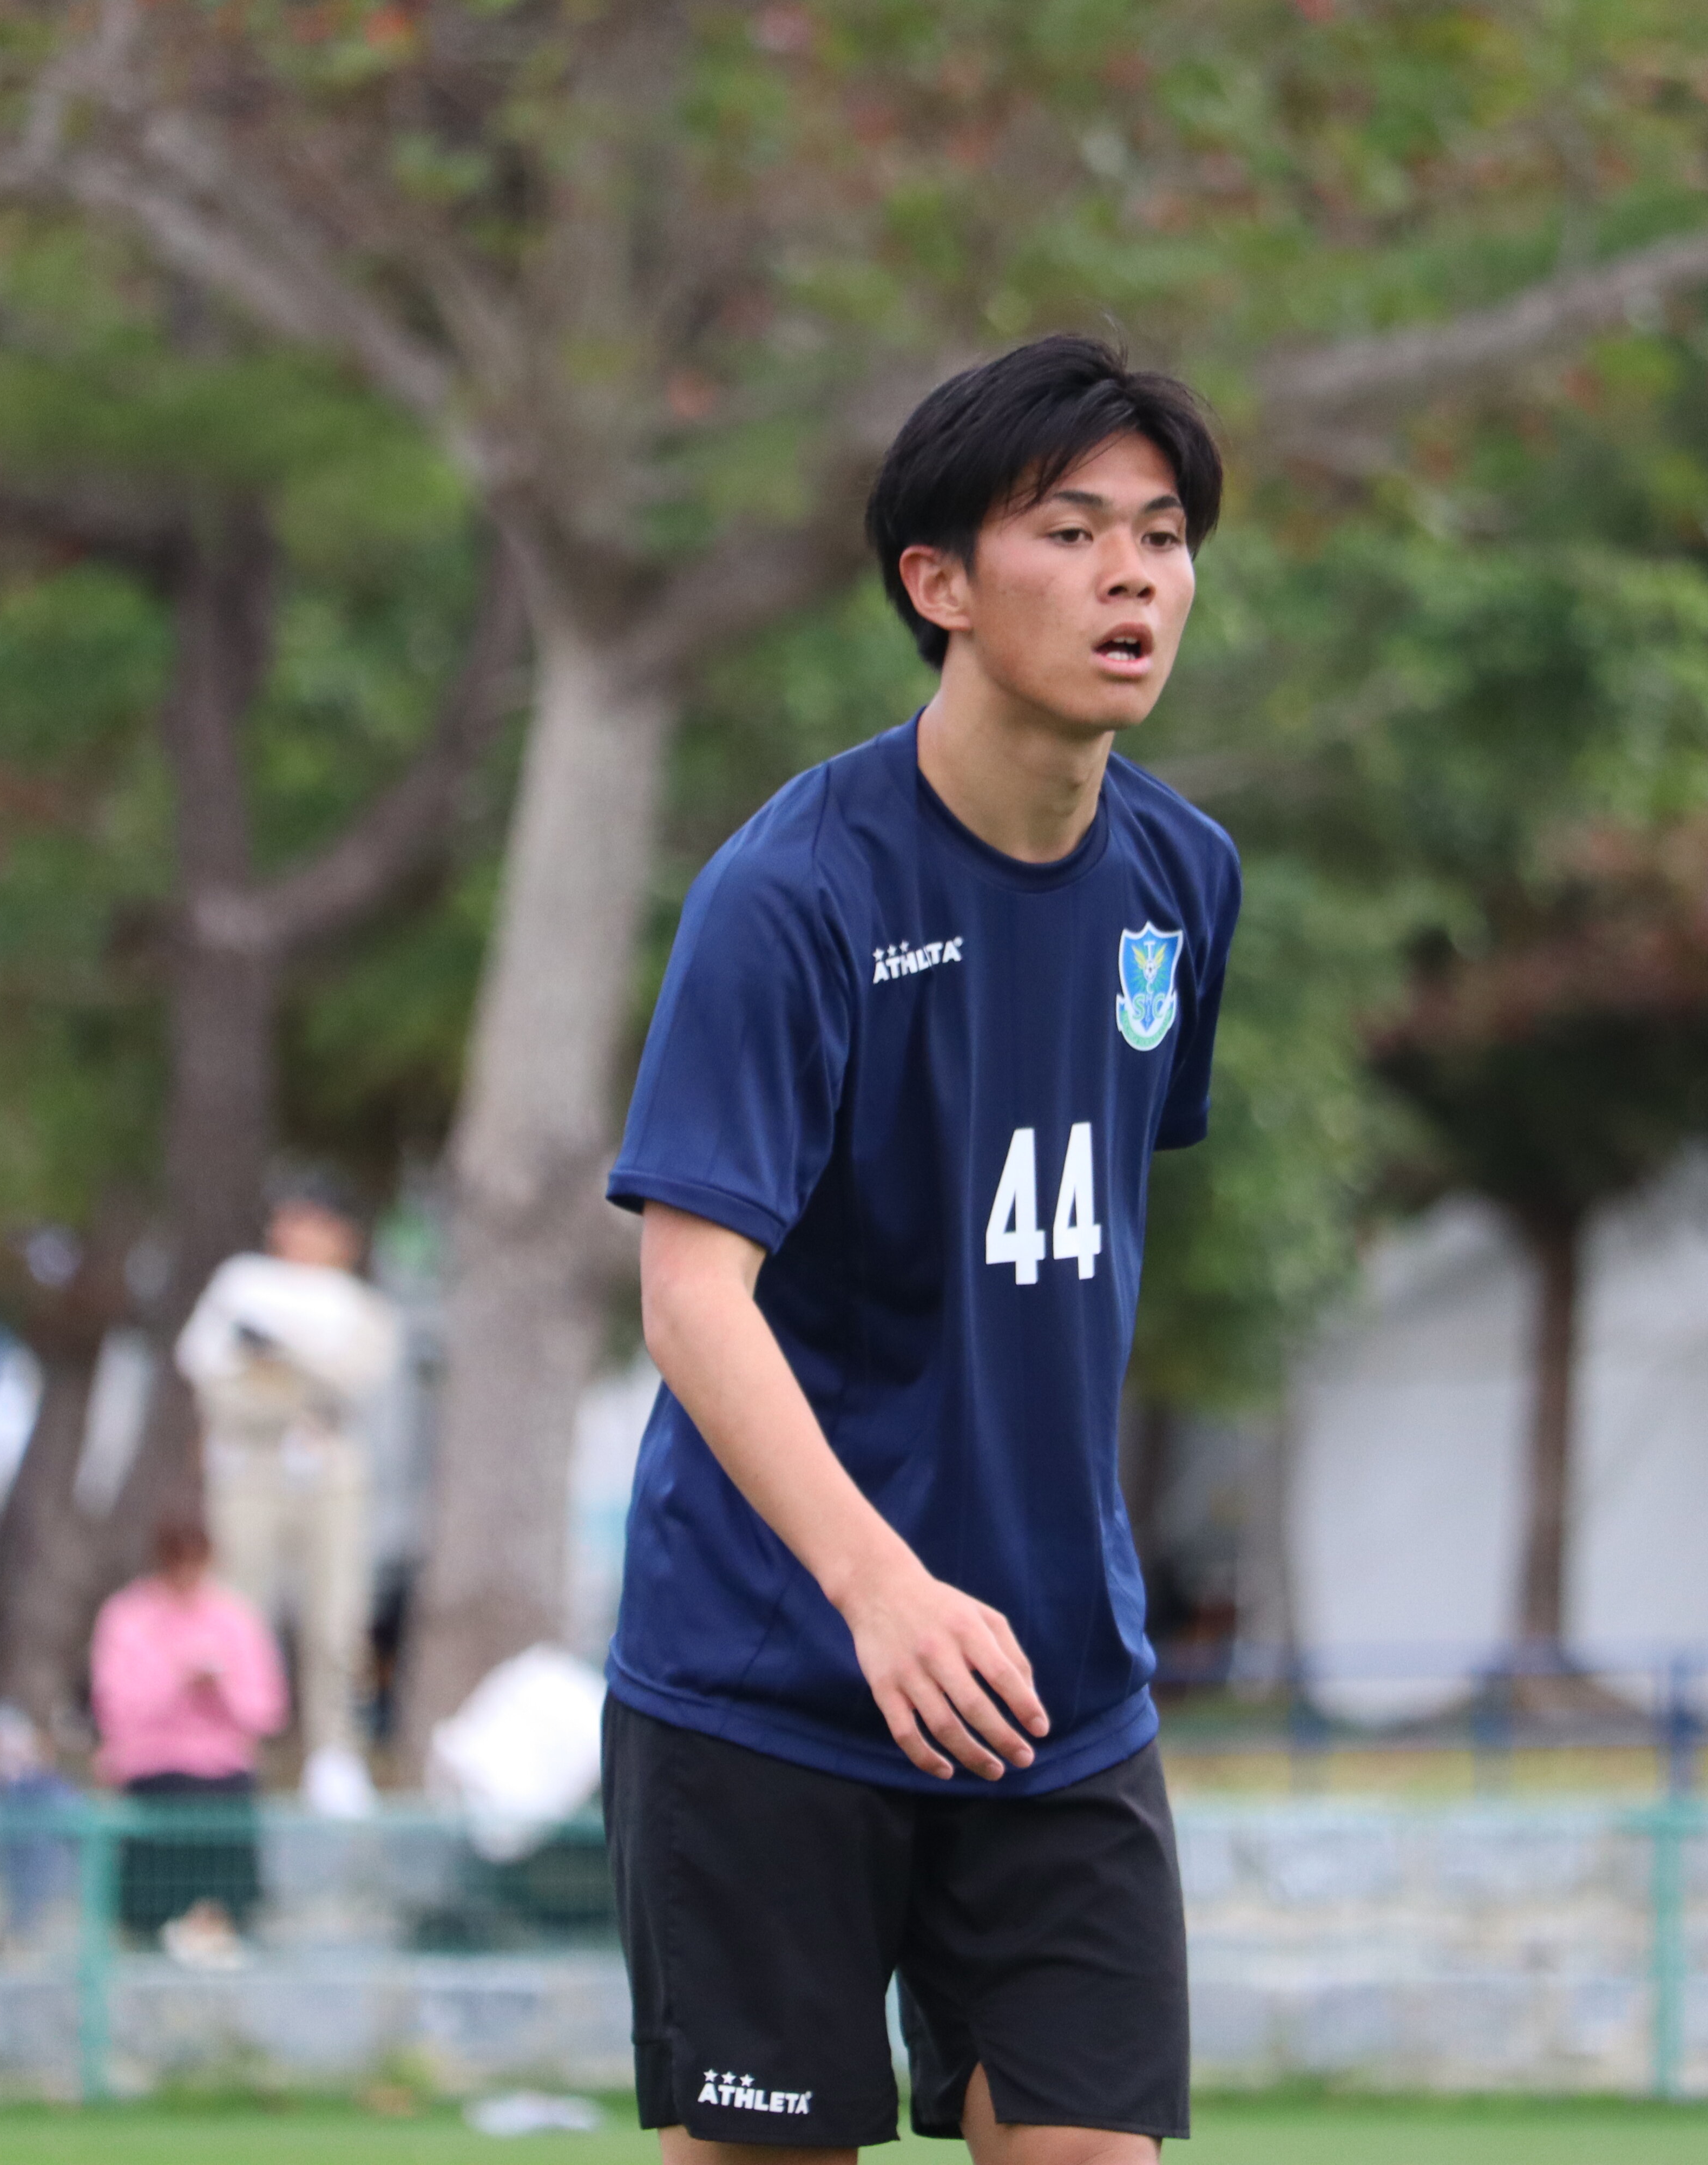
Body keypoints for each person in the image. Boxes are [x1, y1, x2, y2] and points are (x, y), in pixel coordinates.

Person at [602, 334, 1237, 2163]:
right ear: (939, 584)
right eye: (1073, 532)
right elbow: (689, 1295)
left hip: (1057, 1693)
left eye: (1164, 536)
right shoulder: (791, 897)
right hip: (774, 1680)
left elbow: (1059, 1260)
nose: (1133, 577)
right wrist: (880, 1587)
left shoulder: (1184, 882)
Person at [176, 1186, 402, 1818]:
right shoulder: (242, 1283)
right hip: (249, 1461)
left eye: (316, 1223)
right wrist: (290, 1382)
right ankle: (236, 1745)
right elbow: (214, 1379)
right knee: (239, 1608)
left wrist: (282, 1357)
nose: (300, 1234)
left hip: (326, 1463)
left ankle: (335, 1750)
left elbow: (356, 1378)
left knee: (336, 1615)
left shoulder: (359, 1304)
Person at [90, 1516, 285, 1967]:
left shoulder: (235, 1617)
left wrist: (219, 1691)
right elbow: (113, 1707)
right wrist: (176, 1685)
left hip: (223, 1776)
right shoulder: (127, 1617)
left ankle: (221, 1922)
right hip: (153, 1773)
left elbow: (267, 1710)